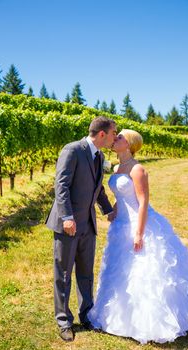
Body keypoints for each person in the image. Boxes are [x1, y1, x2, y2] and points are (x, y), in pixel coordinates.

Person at [88, 129, 188, 344]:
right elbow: (122, 194)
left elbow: (143, 201)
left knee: (146, 271)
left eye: (119, 138)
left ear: (128, 145)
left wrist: (139, 231)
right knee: (122, 270)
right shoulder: (118, 167)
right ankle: (121, 317)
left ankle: (151, 321)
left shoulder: (138, 169)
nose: (114, 139)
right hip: (121, 225)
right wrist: (115, 210)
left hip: (139, 223)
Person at [45, 116, 117, 342]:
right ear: (103, 134)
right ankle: (64, 320)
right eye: (114, 133)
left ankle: (87, 314)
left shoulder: (100, 155)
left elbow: (98, 187)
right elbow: (61, 185)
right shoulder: (73, 150)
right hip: (68, 223)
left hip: (88, 224)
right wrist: (67, 217)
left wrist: (107, 210)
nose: (115, 137)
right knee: (64, 273)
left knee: (86, 273)